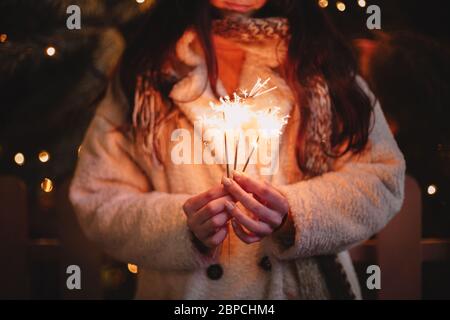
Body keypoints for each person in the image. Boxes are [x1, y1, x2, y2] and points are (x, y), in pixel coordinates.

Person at [69, 0, 405, 299]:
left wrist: (296, 213)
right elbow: (98, 196)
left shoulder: (321, 64)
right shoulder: (148, 71)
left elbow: (380, 179)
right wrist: (182, 227)